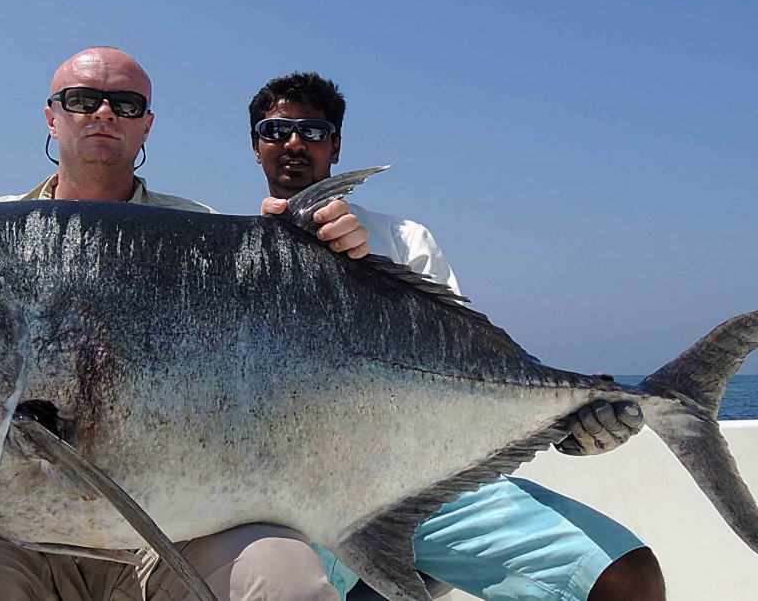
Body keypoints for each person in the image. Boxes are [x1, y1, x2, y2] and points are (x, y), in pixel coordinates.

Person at [0, 47, 368, 601]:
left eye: (125, 104)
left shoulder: (203, 237)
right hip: (11, 543)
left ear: (146, 125)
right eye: (81, 101)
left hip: (170, 539)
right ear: (52, 117)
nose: (103, 113)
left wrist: (342, 261)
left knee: (285, 581)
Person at [249, 71, 664, 601]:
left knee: (627, 577)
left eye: (312, 130)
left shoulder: (403, 239)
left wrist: (564, 417)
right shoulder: (225, 255)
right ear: (256, 146)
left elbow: (464, 368)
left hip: (425, 481)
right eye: (276, 129)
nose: (292, 143)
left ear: (336, 147)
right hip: (291, 498)